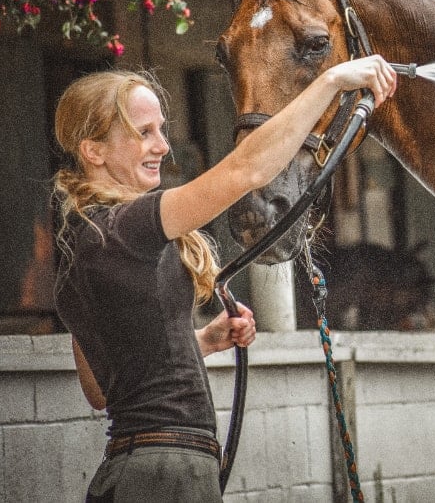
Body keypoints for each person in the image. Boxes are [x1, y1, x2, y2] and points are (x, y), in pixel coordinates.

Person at [52, 56, 397, 502]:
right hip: (169, 473)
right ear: (93, 151)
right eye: (143, 133)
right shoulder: (126, 227)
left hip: (132, 471)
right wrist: (331, 81)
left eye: (161, 129)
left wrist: (206, 341)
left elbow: (103, 389)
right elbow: (246, 171)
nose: (162, 146)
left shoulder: (82, 244)